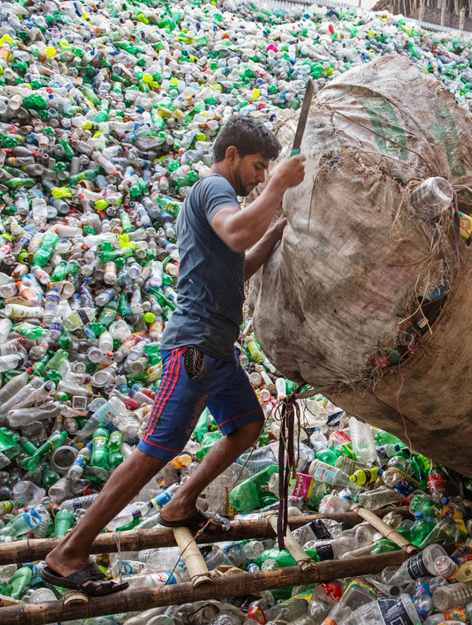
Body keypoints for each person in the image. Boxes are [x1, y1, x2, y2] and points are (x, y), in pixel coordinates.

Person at [41, 116, 307, 595]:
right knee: (155, 450)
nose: (261, 177)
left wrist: (278, 229)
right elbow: (235, 234)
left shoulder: (221, 198)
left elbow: (238, 263)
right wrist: (279, 188)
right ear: (230, 157)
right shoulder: (212, 190)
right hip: (194, 348)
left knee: (247, 426)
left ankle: (181, 502)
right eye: (257, 167)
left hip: (216, 351)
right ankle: (68, 554)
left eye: (267, 170)